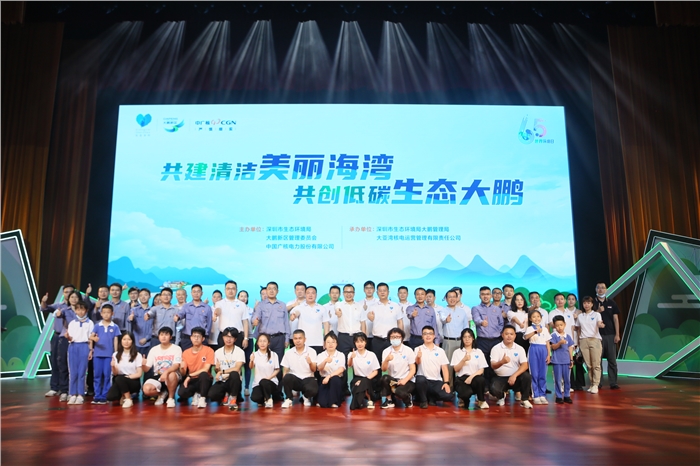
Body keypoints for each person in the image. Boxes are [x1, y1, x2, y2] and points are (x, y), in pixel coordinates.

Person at [41, 284, 76, 400]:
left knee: (65, 364)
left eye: (71, 292)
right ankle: (54, 387)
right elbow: (44, 308)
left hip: (71, 338)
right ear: (63, 293)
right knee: (55, 361)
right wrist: (44, 301)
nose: (68, 294)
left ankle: (66, 389)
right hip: (57, 336)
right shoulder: (58, 306)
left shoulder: (78, 307)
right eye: (66, 292)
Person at [489, 325, 533, 408]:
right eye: (506, 334)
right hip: (501, 377)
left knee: (526, 376)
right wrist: (502, 362)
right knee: (493, 388)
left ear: (515, 335)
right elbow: (493, 366)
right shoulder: (496, 348)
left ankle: (524, 399)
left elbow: (525, 365)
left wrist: (514, 375)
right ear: (502, 335)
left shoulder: (519, 348)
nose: (509, 336)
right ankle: (501, 396)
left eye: (511, 334)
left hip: (515, 377)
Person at [251, 281, 291, 372]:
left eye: (274, 289)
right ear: (266, 290)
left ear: (277, 291)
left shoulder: (282, 305)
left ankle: (278, 382)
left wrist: (287, 339)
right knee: (262, 366)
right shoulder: (261, 305)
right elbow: (255, 316)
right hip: (264, 339)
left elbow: (286, 322)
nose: (272, 291)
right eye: (269, 289)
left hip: (279, 339)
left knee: (278, 366)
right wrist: (254, 321)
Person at [363, 282, 403, 364]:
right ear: (377, 292)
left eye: (384, 290)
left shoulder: (396, 306)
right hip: (377, 340)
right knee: (377, 364)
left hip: (392, 340)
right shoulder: (373, 306)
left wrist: (401, 338)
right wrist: (369, 316)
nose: (382, 292)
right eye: (380, 291)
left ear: (388, 292)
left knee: (394, 363)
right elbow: (369, 318)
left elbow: (400, 322)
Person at [142, 327, 182, 408]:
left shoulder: (176, 348)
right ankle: (162, 394)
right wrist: (142, 364)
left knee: (171, 375)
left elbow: (176, 365)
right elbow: (146, 369)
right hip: (158, 375)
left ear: (171, 337)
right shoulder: (154, 349)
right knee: (146, 389)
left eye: (166, 335)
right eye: (161, 335)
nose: (163, 337)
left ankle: (170, 398)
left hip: (173, 374)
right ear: (158, 336)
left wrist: (166, 372)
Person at [471, 286, 503, 386]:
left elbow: (501, 323)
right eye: (483, 294)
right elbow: (476, 319)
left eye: (487, 294)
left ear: (491, 296)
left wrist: (497, 333)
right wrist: (482, 322)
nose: (485, 296)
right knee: (482, 364)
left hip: (496, 340)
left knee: (494, 364)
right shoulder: (476, 308)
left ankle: (494, 387)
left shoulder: (497, 309)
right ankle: (484, 387)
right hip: (482, 340)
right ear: (479, 296)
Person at [414, 326, 452, 409]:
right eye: (425, 334)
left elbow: (444, 368)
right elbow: (417, 363)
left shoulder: (440, 351)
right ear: (422, 336)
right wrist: (418, 357)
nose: (428, 336)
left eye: (430, 333)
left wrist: (446, 383)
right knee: (420, 379)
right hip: (424, 381)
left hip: (436, 381)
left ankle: (432, 397)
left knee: (448, 396)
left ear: (434, 336)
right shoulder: (417, 349)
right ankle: (424, 401)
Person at [90, 304, 121, 404]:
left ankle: (105, 395)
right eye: (104, 312)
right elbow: (91, 336)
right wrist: (93, 339)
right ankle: (97, 395)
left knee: (107, 375)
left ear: (112, 313)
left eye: (108, 312)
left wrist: (115, 353)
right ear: (101, 314)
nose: (106, 314)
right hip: (97, 355)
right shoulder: (97, 325)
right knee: (97, 375)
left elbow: (115, 340)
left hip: (109, 355)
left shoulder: (115, 327)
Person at [451, 328, 489, 409]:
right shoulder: (457, 352)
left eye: (469, 337)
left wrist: (471, 377)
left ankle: (481, 400)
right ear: (462, 339)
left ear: (473, 338)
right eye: (465, 337)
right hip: (462, 379)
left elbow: (481, 370)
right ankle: (463, 399)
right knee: (466, 393)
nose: (467, 339)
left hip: (474, 377)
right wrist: (463, 360)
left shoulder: (478, 352)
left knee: (480, 379)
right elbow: (456, 369)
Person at [178, 326, 215, 408]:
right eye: (194, 336)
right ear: (191, 338)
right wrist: (181, 368)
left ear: (203, 339)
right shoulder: (186, 353)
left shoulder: (209, 350)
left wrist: (189, 375)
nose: (196, 338)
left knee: (203, 374)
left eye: (198, 336)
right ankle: (196, 393)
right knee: (181, 393)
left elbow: (206, 369)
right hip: (192, 379)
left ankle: (202, 398)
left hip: (204, 379)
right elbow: (183, 373)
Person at [66, 300, 95, 404]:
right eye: (78, 309)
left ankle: (80, 394)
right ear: (75, 311)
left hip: (84, 346)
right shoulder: (72, 323)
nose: (80, 312)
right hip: (73, 346)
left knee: (82, 372)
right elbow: (70, 338)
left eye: (82, 309)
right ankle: (72, 394)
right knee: (73, 372)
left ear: (86, 310)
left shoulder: (90, 323)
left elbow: (91, 338)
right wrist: (68, 337)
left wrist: (91, 350)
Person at [209, 327, 245, 410]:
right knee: (212, 395)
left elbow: (237, 368)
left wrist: (222, 371)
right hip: (223, 380)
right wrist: (217, 369)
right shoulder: (218, 352)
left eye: (231, 337)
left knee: (234, 374)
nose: (228, 339)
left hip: (234, 381)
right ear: (223, 337)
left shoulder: (239, 352)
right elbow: (217, 371)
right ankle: (226, 394)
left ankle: (233, 398)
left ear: (235, 339)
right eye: (227, 336)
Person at [379, 327, 416, 409]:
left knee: (400, 392)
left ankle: (408, 400)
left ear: (402, 338)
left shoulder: (408, 350)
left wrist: (405, 380)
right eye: (393, 337)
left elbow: (413, 369)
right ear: (389, 338)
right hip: (393, 380)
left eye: (397, 337)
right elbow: (384, 369)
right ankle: (389, 400)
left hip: (407, 380)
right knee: (384, 378)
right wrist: (386, 360)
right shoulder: (386, 351)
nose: (395, 339)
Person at [280, 329, 318, 407]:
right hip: (295, 379)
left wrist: (310, 363)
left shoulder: (312, 351)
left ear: (305, 339)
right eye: (295, 338)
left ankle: (305, 397)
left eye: (300, 338)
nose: (298, 341)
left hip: (308, 378)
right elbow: (285, 369)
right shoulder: (288, 353)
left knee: (314, 390)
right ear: (293, 340)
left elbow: (314, 369)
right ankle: (289, 399)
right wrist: (285, 381)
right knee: (287, 377)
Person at [595, 283, 621, 390]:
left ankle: (613, 382)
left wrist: (617, 334)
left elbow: (616, 319)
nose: (600, 290)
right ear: (596, 289)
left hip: (610, 335)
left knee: (612, 360)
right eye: (598, 288)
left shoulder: (611, 303)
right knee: (598, 361)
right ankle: (598, 382)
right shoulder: (592, 303)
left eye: (603, 288)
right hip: (597, 335)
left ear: (606, 289)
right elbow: (588, 317)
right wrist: (597, 311)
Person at [107, 332, 143, 408]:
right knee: (110, 396)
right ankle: (123, 395)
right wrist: (113, 367)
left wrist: (128, 377)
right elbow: (115, 373)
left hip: (133, 380)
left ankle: (128, 399)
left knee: (119, 378)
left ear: (132, 341)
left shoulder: (137, 355)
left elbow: (139, 374)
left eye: (129, 339)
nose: (126, 342)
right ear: (121, 341)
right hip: (119, 379)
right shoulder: (115, 354)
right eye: (124, 339)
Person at [213, 281, 250, 355]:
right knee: (222, 358)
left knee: (237, 358)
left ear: (236, 290)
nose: (230, 291)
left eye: (233, 288)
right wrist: (216, 313)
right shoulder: (219, 303)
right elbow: (218, 310)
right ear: (225, 290)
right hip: (223, 336)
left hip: (238, 336)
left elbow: (245, 322)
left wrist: (246, 338)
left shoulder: (242, 304)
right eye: (228, 289)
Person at [576, 296, 604, 393]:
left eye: (588, 303)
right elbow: (578, 329)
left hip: (594, 340)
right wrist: (579, 341)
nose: (586, 305)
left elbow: (599, 323)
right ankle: (592, 384)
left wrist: (601, 325)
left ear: (592, 304)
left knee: (596, 364)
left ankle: (596, 384)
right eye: (584, 303)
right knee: (588, 365)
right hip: (583, 340)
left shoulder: (596, 314)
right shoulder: (580, 316)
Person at [290, 286, 328, 354]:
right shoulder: (299, 307)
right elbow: (296, 313)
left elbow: (326, 324)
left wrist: (326, 340)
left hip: (318, 343)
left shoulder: (322, 308)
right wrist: (294, 315)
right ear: (305, 294)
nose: (310, 295)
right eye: (308, 293)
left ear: (316, 295)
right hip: (304, 343)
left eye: (313, 293)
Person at [348, 332, 381, 410]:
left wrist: (364, 380)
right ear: (354, 343)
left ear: (365, 342)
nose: (360, 344)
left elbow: (376, 371)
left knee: (364, 383)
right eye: (357, 342)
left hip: (369, 378)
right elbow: (349, 365)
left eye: (362, 341)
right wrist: (351, 358)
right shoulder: (352, 354)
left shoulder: (371, 355)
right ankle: (366, 399)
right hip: (357, 378)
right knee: (358, 385)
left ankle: (369, 399)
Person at [524, 309, 551, 404]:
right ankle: (535, 395)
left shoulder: (545, 329)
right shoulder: (529, 328)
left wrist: (549, 355)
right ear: (530, 319)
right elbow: (526, 337)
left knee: (542, 374)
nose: (536, 318)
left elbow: (547, 342)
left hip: (543, 350)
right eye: (534, 317)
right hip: (534, 349)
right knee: (534, 374)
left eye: (538, 316)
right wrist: (535, 331)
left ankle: (542, 394)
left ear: (541, 318)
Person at [175, 284, 212, 351]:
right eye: (194, 292)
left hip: (201, 338)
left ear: (202, 293)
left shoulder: (207, 307)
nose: (196, 294)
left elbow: (209, 323)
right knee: (186, 356)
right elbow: (181, 314)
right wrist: (177, 316)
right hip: (188, 338)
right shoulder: (186, 306)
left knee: (202, 356)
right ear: (191, 293)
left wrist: (206, 336)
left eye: (198, 291)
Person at [315, 331, 346, 408]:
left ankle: (334, 402)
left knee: (335, 379)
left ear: (337, 344)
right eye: (328, 342)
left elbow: (341, 369)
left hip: (336, 380)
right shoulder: (321, 355)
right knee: (322, 403)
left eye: (333, 342)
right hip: (324, 380)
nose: (330, 344)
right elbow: (319, 368)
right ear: (324, 344)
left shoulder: (341, 355)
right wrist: (325, 361)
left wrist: (329, 376)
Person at [249, 333, 280, 408]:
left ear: (268, 343)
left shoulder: (274, 355)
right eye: (260, 341)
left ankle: (269, 399)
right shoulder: (255, 354)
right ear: (257, 343)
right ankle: (263, 399)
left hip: (271, 382)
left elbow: (277, 370)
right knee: (255, 398)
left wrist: (268, 378)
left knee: (264, 382)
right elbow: (251, 367)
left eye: (264, 341)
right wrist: (251, 360)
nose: (262, 343)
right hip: (258, 383)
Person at [551, 315, 574, 404]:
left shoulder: (568, 336)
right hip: (557, 361)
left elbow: (570, 348)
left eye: (561, 325)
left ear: (564, 324)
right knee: (558, 379)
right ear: (554, 326)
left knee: (567, 379)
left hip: (566, 361)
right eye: (557, 325)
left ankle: (567, 395)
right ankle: (559, 396)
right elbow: (553, 347)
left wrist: (571, 359)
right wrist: (559, 343)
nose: (559, 327)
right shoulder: (553, 335)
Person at [566, 293, 586, 391]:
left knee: (578, 361)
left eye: (573, 299)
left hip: (578, 338)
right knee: (569, 361)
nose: (571, 301)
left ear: (576, 301)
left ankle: (579, 383)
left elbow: (582, 326)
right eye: (569, 299)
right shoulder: (564, 311)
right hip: (568, 339)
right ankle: (571, 383)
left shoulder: (580, 312)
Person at [237, 290, 254, 396]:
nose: (243, 298)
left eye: (245, 296)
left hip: (249, 339)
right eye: (241, 296)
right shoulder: (235, 309)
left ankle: (247, 387)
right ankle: (237, 389)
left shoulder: (251, 310)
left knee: (248, 364)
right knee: (237, 364)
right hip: (238, 338)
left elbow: (253, 325)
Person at [128, 288, 152, 359]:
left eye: (145, 295)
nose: (143, 297)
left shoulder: (153, 311)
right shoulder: (134, 309)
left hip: (149, 343)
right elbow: (129, 320)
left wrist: (146, 338)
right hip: (135, 342)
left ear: (150, 296)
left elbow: (154, 327)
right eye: (141, 295)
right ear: (138, 297)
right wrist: (130, 318)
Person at [286, 281, 307, 348]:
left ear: (305, 291)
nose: (299, 292)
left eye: (302, 290)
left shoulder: (308, 303)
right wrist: (293, 305)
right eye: (298, 290)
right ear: (295, 291)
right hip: (293, 336)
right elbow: (283, 311)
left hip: (305, 335)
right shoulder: (290, 303)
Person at [360, 281, 377, 352]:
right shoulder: (359, 303)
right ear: (364, 290)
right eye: (367, 288)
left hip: (375, 336)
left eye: (371, 288)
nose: (369, 290)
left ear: (374, 290)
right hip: (363, 336)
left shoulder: (378, 302)